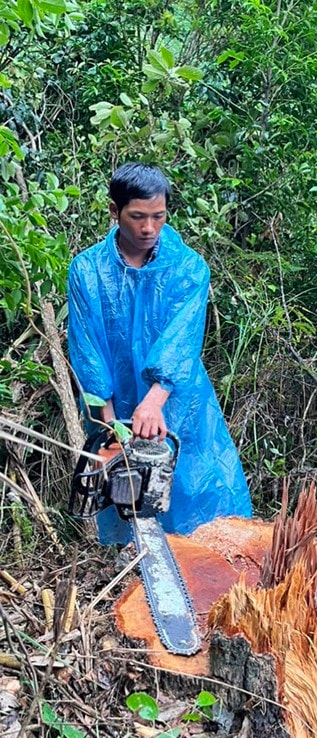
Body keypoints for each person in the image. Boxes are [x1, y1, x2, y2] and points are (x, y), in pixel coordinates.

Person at [67, 162, 252, 543]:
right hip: (114, 402)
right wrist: (110, 427)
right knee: (127, 497)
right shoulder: (86, 270)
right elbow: (88, 352)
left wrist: (154, 403)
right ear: (114, 211)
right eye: (137, 217)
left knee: (199, 493)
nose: (149, 228)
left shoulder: (188, 269)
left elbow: (180, 342)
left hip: (179, 404)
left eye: (158, 216)